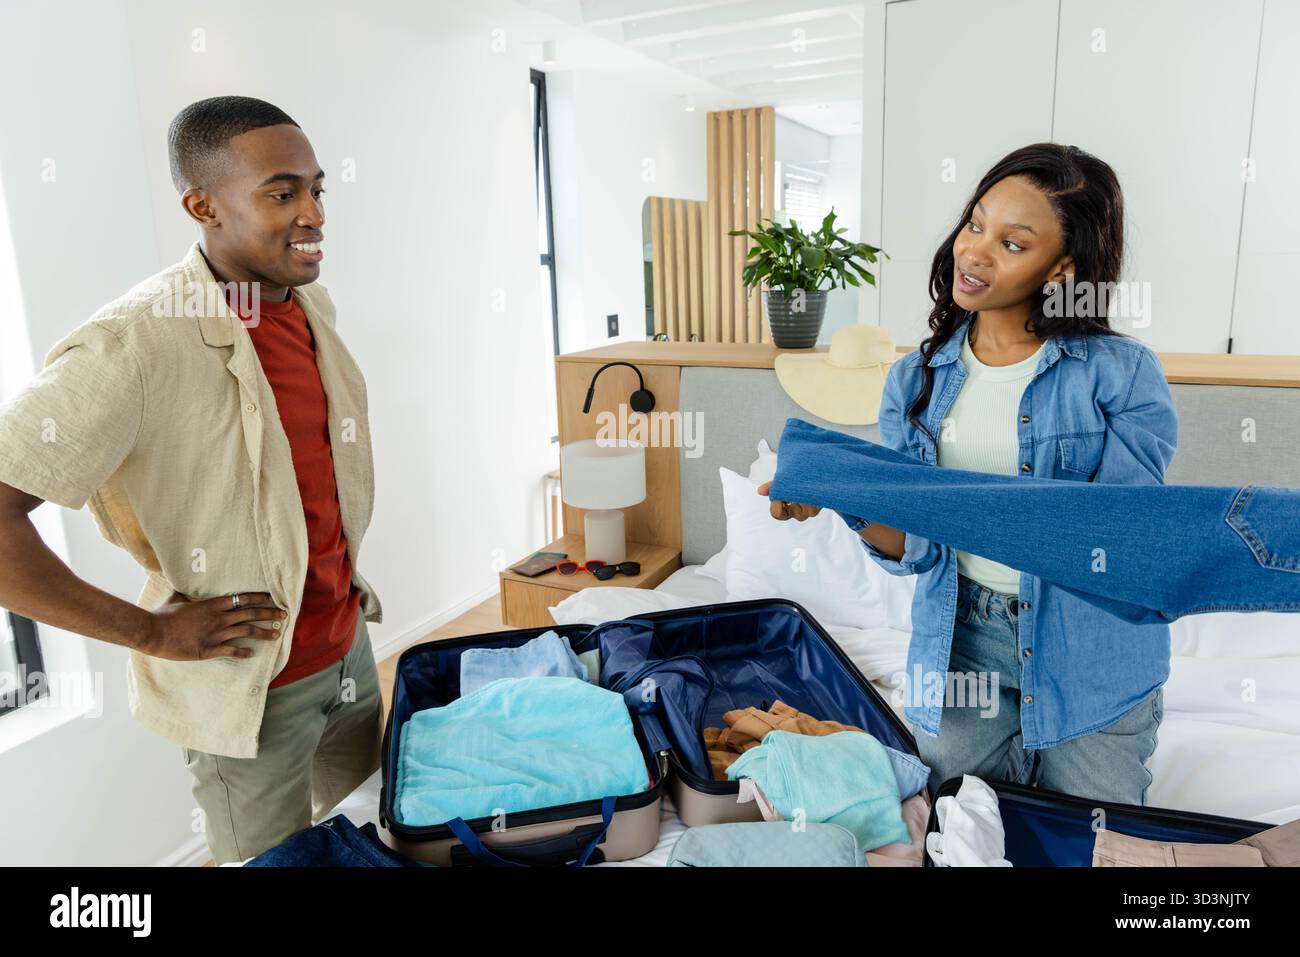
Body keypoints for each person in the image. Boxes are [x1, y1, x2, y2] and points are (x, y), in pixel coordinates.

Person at [0, 95, 384, 863]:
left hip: (347, 657)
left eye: (317, 188)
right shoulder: (134, 344)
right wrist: (147, 631)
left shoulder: (310, 301)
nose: (314, 212)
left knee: (375, 840)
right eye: (283, 192)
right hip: (247, 692)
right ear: (202, 205)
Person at [760, 143, 1176, 806]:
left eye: (1013, 243)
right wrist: (847, 500)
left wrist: (995, 515)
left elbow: (1116, 545)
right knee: (948, 811)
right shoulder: (914, 381)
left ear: (1062, 268)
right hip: (965, 638)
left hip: (1090, 639)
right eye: (975, 224)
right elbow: (920, 550)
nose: (975, 252)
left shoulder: (1121, 376)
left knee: (1092, 831)